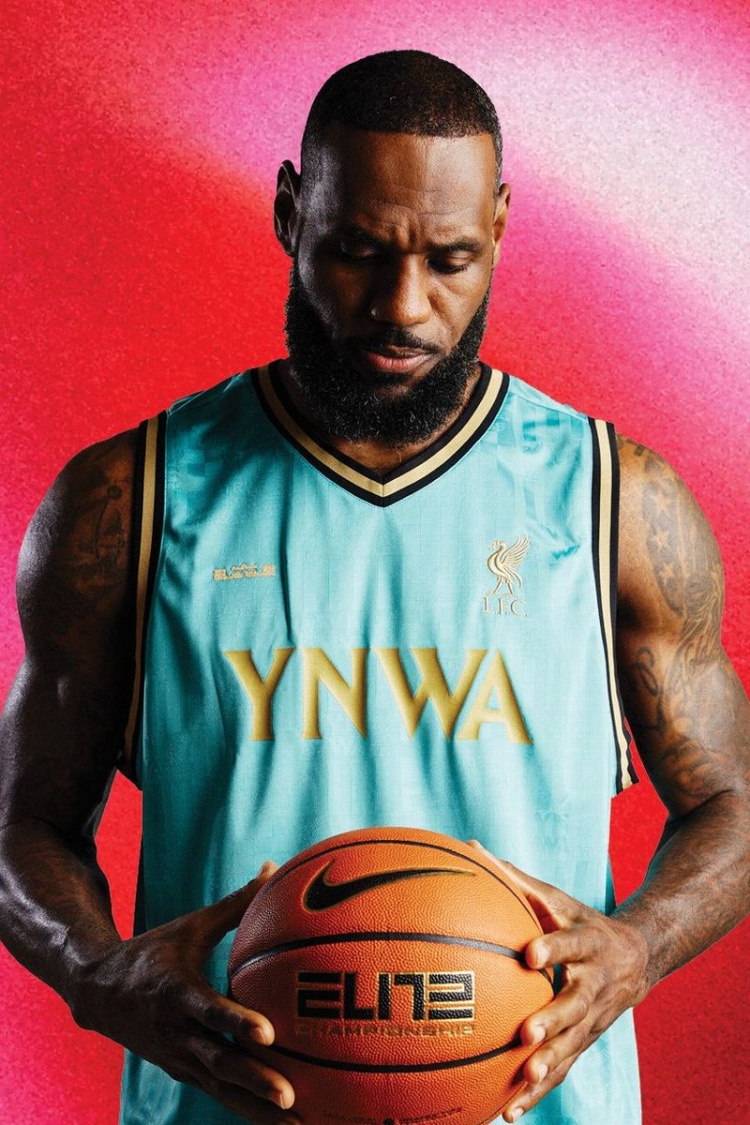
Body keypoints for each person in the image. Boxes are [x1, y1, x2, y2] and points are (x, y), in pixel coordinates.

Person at [0, 49, 747, 1125]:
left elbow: (734, 800)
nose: (404, 305)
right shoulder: (134, 500)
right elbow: (23, 821)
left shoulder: (612, 503)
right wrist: (96, 974)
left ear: (499, 227)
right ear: (290, 213)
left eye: (450, 259)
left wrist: (640, 944)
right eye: (358, 250)